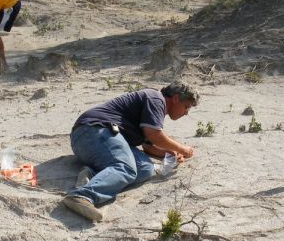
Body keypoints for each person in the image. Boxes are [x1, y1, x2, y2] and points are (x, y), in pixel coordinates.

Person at [62, 81, 199, 222]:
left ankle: (92, 175)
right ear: (176, 98)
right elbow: (154, 135)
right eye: (186, 107)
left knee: (145, 168)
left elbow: (149, 146)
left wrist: (171, 154)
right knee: (126, 168)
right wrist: (181, 148)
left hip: (95, 141)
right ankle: (82, 196)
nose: (186, 113)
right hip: (92, 131)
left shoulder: (155, 106)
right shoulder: (156, 99)